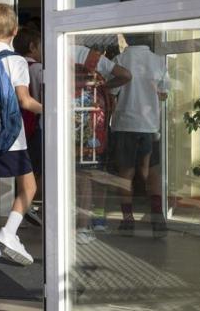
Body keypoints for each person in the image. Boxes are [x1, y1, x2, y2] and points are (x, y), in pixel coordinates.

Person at [0, 3, 42, 265]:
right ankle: (9, 232)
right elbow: (24, 101)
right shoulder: (16, 61)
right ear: (15, 31)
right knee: (29, 186)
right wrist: (52, 110)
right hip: (10, 138)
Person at [110, 33, 169, 237]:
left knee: (125, 174)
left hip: (125, 124)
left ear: (126, 38)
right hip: (150, 126)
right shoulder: (159, 61)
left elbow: (111, 93)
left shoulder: (120, 60)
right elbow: (164, 94)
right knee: (153, 173)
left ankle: (127, 220)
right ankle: (157, 218)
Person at [71, 45, 131, 244]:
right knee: (90, 176)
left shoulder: (53, 49)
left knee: (70, 176)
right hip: (92, 124)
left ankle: (67, 224)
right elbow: (125, 75)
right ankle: (86, 225)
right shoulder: (92, 57)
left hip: (64, 122)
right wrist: (105, 87)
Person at [13, 27, 43, 227]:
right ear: (32, 47)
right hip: (36, 123)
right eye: (41, 45)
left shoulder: (17, 65)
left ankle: (24, 203)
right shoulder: (39, 69)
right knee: (37, 169)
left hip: (20, 124)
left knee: (25, 167)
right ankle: (28, 204)